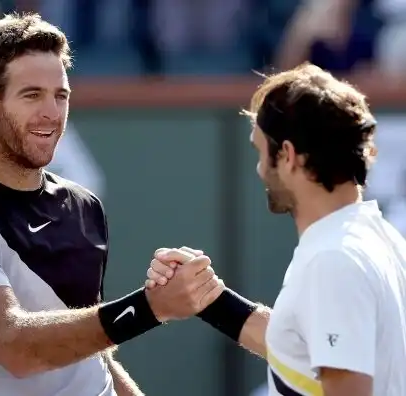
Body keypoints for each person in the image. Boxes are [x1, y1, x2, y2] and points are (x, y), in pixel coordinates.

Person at [0, 13, 225, 396]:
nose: (51, 113)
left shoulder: (84, 205)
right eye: (31, 95)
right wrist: (149, 308)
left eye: (61, 96)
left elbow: (92, 357)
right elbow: (14, 346)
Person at [146, 63, 406, 395]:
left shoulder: (333, 261)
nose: (258, 169)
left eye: (260, 151)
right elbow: (304, 351)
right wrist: (212, 300)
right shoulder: (377, 238)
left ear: (288, 155)